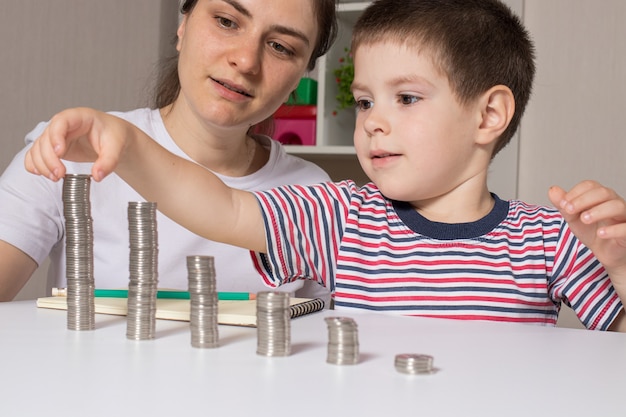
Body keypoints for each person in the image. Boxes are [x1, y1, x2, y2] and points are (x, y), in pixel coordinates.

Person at [24, 0, 626, 332]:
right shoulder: (341, 214)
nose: (372, 122)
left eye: (406, 98)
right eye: (364, 101)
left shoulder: (554, 239)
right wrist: (125, 143)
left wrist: (622, 268)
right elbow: (222, 205)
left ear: (489, 114)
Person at [0, 0, 338, 302]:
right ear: (183, 25)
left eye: (280, 46)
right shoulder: (69, 147)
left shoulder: (313, 196)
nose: (246, 61)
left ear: (301, 76)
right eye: (226, 21)